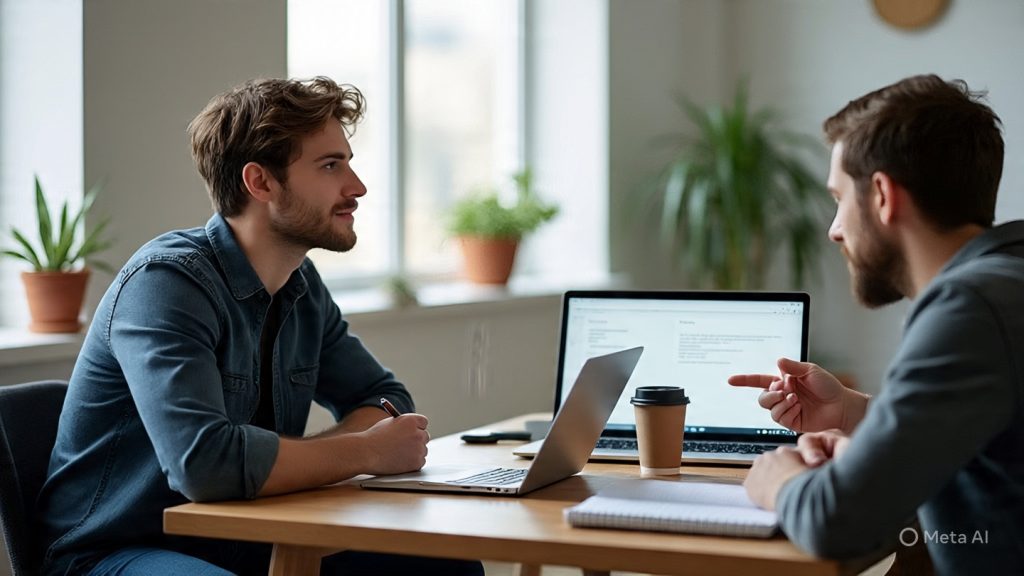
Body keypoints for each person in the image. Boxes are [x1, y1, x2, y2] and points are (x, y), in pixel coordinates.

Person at [36, 77, 484, 576]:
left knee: (445, 564)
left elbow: (384, 399)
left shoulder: (301, 283)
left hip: (245, 531)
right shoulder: (165, 283)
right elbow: (204, 465)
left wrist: (304, 458)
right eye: (331, 165)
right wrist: (364, 451)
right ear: (261, 182)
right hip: (113, 552)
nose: (356, 187)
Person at [729, 74, 1024, 575]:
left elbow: (838, 522)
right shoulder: (1007, 280)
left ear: (883, 195)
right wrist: (853, 413)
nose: (833, 229)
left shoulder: (969, 306)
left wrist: (778, 481)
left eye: (839, 198)